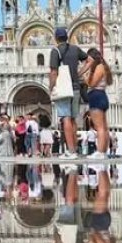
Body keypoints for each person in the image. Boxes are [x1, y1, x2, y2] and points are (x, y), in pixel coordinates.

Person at [49, 27, 88, 159]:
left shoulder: (55, 51)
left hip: (64, 88)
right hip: (76, 87)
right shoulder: (75, 49)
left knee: (65, 118)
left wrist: (51, 86)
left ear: (56, 38)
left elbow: (54, 72)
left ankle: (71, 151)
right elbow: (90, 61)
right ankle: (74, 150)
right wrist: (79, 73)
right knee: (73, 119)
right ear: (67, 37)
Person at [83, 47, 113, 159]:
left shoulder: (99, 67)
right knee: (104, 127)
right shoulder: (102, 67)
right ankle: (103, 151)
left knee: (99, 127)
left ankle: (100, 152)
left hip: (96, 96)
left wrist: (86, 75)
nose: (87, 62)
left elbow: (92, 84)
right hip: (101, 95)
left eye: (88, 59)